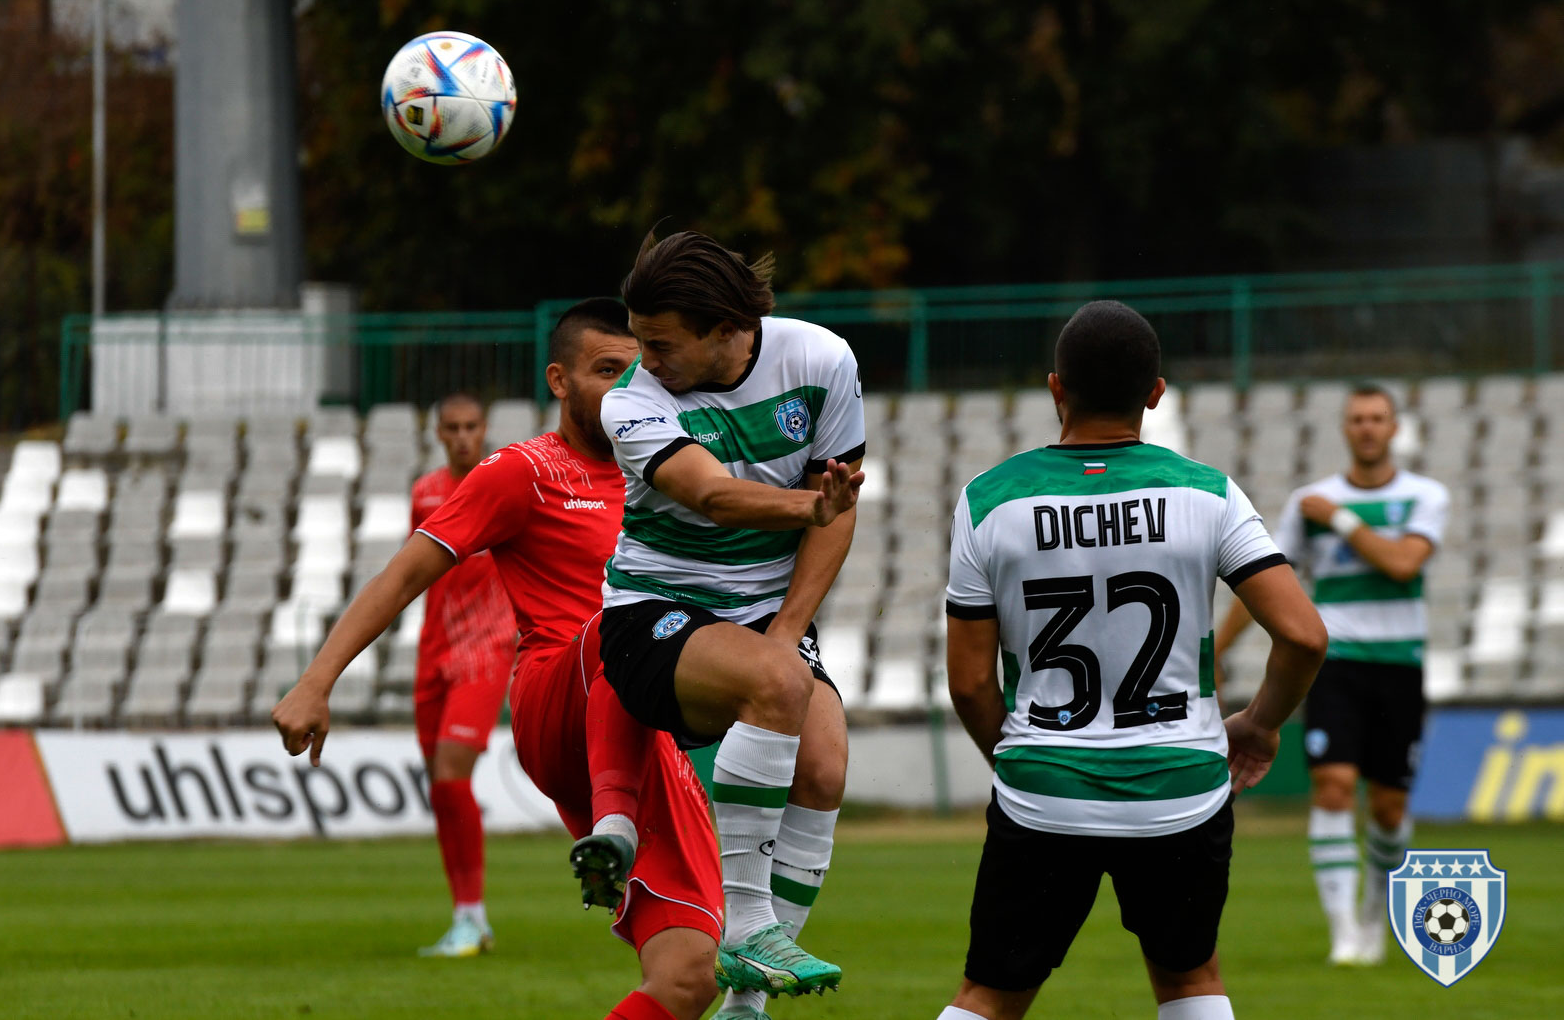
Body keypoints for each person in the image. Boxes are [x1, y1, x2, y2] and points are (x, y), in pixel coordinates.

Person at [273, 299, 725, 1020]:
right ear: (559, 380)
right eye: (606, 369)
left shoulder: (670, 474)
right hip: (557, 698)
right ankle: (602, 830)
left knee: (690, 976)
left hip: (640, 729)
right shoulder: (524, 471)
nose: (625, 387)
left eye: (636, 371)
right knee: (627, 625)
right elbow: (404, 573)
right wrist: (316, 680)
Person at [936, 300, 1328, 1020]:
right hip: (1179, 787)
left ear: (1056, 388)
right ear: (1155, 393)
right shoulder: (1207, 492)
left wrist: (1025, 756)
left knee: (988, 995)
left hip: (1045, 786)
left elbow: (968, 681)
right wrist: (1261, 723)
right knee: (1191, 979)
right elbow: (1304, 636)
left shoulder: (987, 500)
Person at [596, 229, 864, 1011]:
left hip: (765, 615)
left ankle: (747, 1003)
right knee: (778, 681)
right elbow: (712, 495)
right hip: (653, 613)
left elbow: (840, 511)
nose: (646, 359)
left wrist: (786, 630)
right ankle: (746, 926)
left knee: (824, 766)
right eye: (639, 339)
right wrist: (809, 507)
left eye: (661, 343)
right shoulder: (633, 401)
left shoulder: (822, 361)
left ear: (725, 329)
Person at [1215, 383, 1448, 966]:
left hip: (1399, 665)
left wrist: (1340, 520)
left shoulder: (1423, 497)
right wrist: (1216, 647)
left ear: (1394, 428)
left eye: (1377, 418)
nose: (1367, 427)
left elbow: (1403, 564)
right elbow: (1266, 579)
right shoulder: (1308, 502)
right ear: (1345, 429)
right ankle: (1344, 930)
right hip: (1336, 663)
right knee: (1334, 786)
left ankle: (1374, 914)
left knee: (1389, 807)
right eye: (1357, 419)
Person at [408, 393, 520, 957]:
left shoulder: (503, 487)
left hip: (487, 650)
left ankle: (473, 917)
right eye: (450, 427)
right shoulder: (424, 493)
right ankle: (466, 917)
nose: (461, 437)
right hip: (434, 649)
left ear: (484, 428)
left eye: (470, 426)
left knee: (452, 775)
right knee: (440, 785)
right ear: (437, 433)